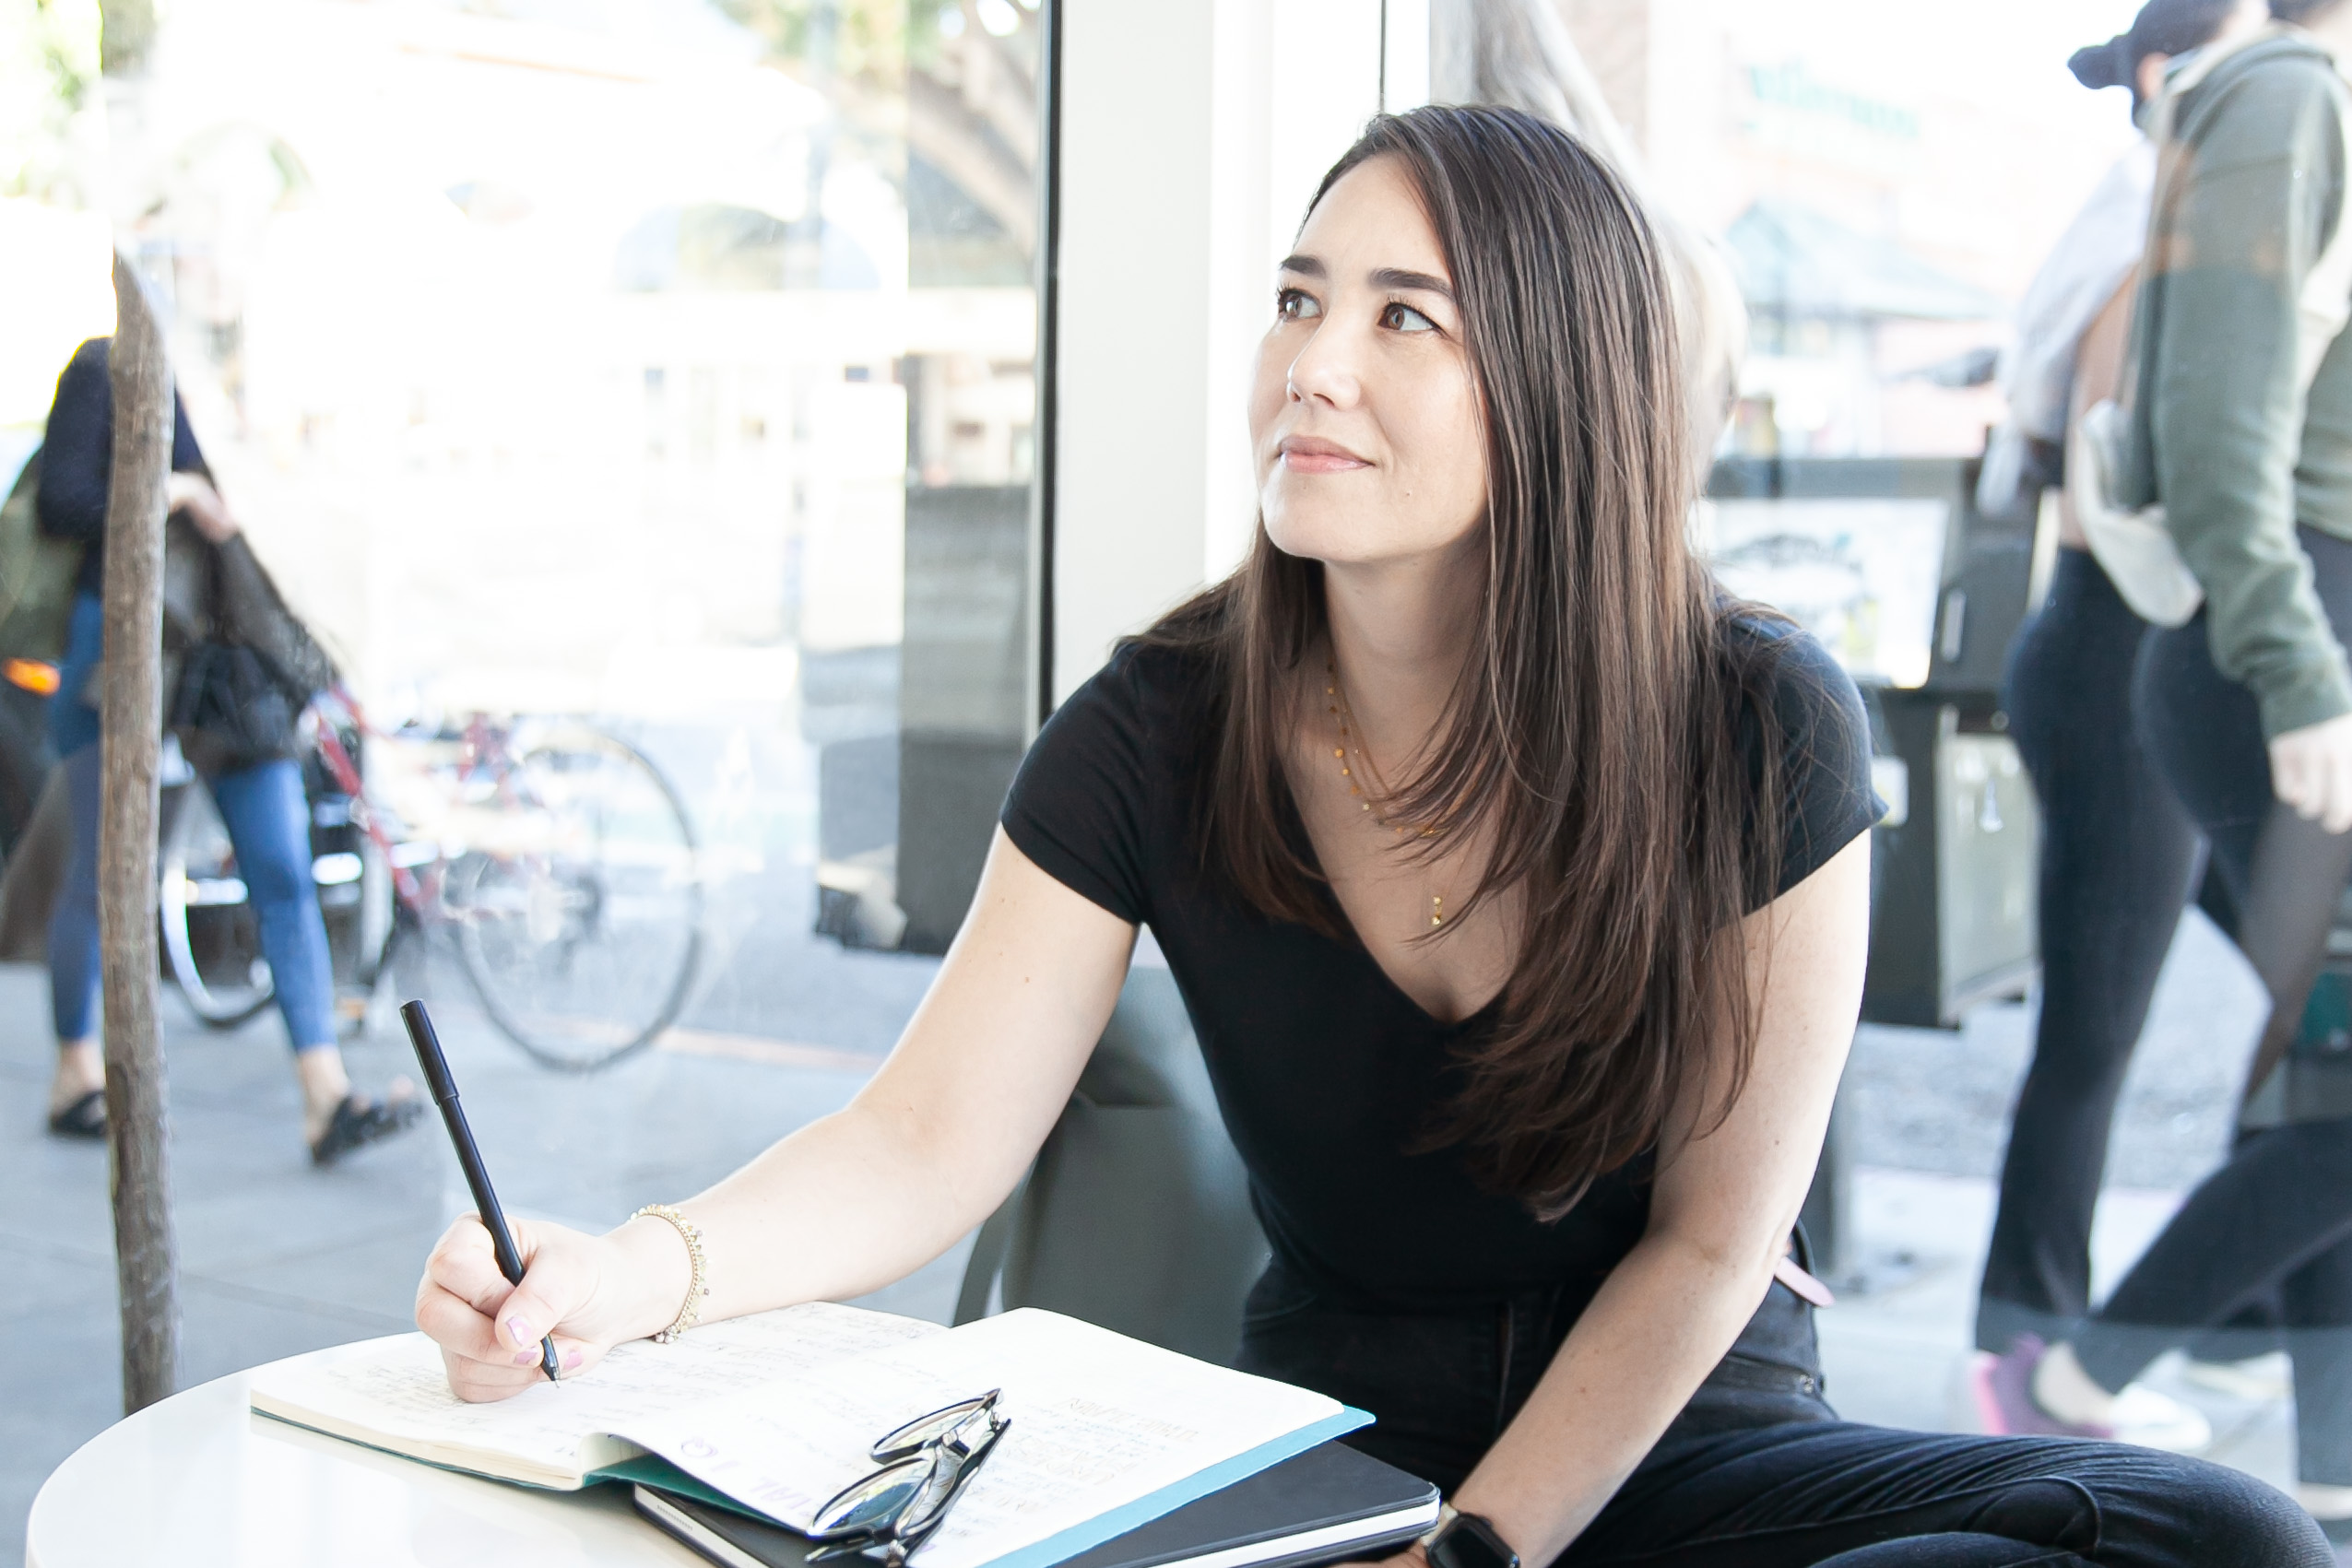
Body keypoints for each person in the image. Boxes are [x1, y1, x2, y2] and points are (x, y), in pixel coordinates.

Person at [417, 108, 2324, 1564]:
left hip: (1686, 1445)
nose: (1311, 363)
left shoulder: (1759, 722)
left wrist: (1477, 1557)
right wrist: (619, 1276)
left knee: (2224, 1535)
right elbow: (922, 1141)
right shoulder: (1155, 726)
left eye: (1404, 315)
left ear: (1559, 382)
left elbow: (1710, 1247)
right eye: (1298, 299)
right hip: (1334, 1447)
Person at [1972, 0, 2352, 1542]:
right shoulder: (2265, 111)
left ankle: (2317, 1431)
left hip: (2226, 636)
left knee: (2312, 1058)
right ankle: (2058, 1356)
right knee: (2129, 1026)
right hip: (2203, 643)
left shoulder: (2253, 125)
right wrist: (2295, 667)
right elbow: (2194, 437)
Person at [35, 336, 421, 1165]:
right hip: (122, 637)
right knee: (101, 869)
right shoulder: (106, 366)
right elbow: (58, 505)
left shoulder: (243, 394)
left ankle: (325, 1094)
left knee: (281, 864)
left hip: (224, 649)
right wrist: (174, 491)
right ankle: (75, 1072)